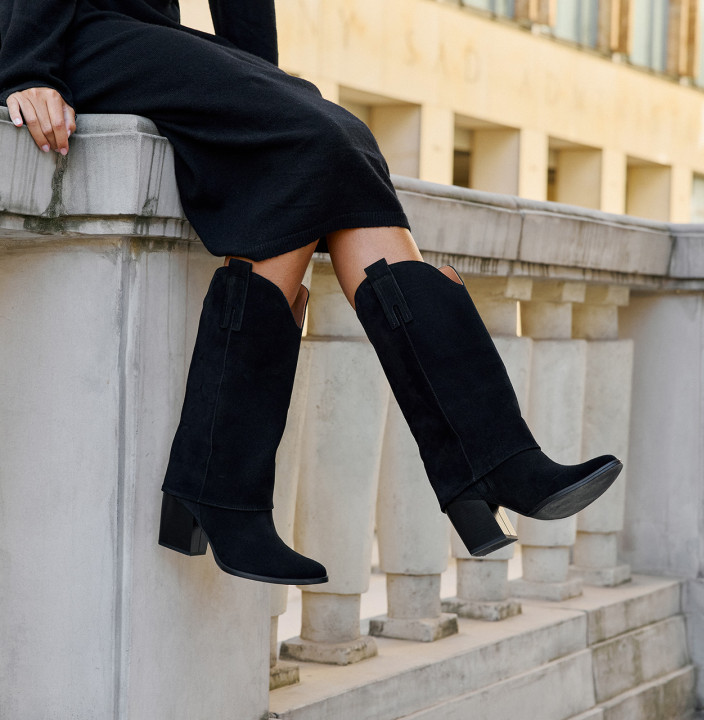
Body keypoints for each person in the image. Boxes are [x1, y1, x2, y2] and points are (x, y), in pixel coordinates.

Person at [1, 0, 622, 586]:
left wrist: (259, 91)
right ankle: (474, 467)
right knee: (309, 138)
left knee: (339, 132)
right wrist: (25, 66)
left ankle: (489, 458)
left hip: (144, 36)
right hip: (63, 31)